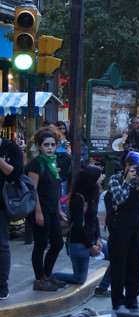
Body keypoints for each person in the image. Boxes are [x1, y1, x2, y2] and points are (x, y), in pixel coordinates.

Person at [106, 151, 139, 312]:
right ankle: (118, 302)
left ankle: (132, 300)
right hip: (118, 227)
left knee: (135, 264)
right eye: (137, 168)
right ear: (127, 166)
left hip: (136, 226)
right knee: (119, 264)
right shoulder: (115, 179)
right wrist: (128, 182)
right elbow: (119, 199)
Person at [52, 165, 111, 291]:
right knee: (79, 278)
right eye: (99, 176)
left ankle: (103, 288)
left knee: (118, 257)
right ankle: (50, 275)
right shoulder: (78, 198)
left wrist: (99, 239)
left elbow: (94, 219)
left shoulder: (93, 195)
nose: (101, 179)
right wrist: (91, 246)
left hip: (93, 240)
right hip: (78, 242)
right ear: (91, 179)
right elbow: (78, 226)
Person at [26, 128, 66, 292]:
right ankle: (39, 279)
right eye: (46, 145)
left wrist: (59, 210)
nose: (50, 148)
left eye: (52, 144)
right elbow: (32, 190)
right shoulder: (37, 163)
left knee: (57, 243)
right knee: (41, 244)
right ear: (39, 147)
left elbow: (56, 190)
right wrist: (38, 212)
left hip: (51, 210)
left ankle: (47, 275)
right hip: (39, 210)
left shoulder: (52, 162)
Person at [0, 118, 24, 300]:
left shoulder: (11, 148)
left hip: (2, 204)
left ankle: (2, 286)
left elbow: (16, 174)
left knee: (1, 244)